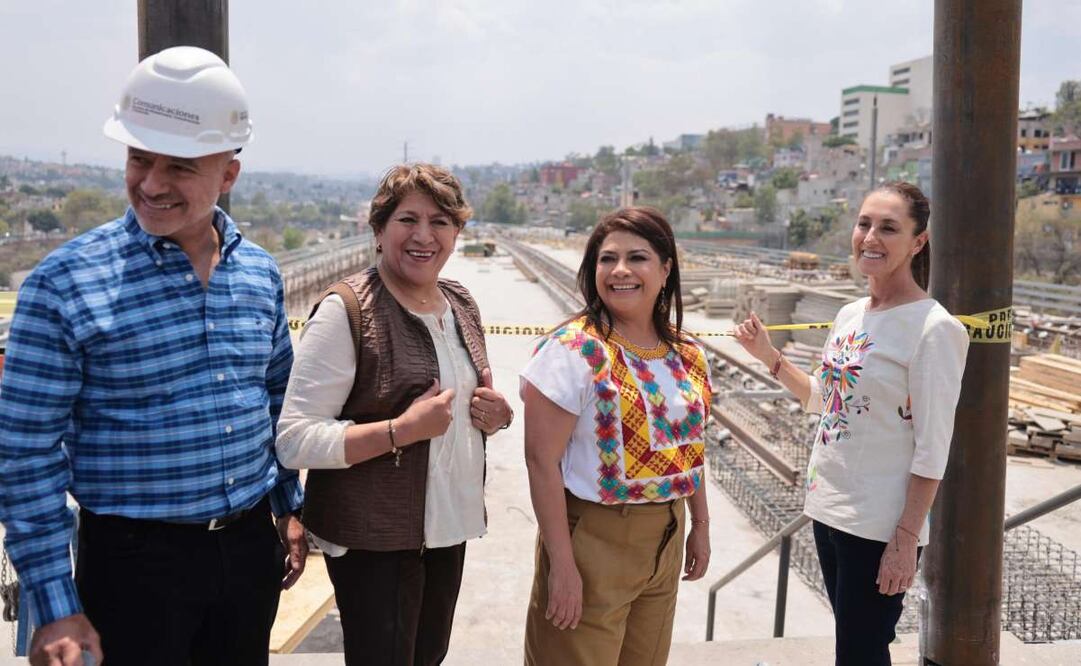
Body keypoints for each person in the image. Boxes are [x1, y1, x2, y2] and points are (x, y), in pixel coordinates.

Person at [0, 47, 307, 666]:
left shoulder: (257, 273)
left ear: (228, 174)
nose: (152, 183)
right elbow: (24, 452)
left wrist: (288, 506)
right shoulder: (65, 285)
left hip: (247, 554)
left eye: (181, 166)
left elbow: (276, 398)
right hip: (133, 567)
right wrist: (57, 604)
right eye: (139, 158)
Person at [275, 163, 513, 666]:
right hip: (375, 541)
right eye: (408, 220)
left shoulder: (459, 302)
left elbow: (466, 408)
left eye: (441, 222)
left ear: (457, 233)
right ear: (379, 230)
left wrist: (496, 415)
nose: (424, 236)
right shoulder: (348, 311)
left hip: (448, 527)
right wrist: (400, 431)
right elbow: (294, 438)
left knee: (428, 656)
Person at [733, 181, 969, 665]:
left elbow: (933, 447)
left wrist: (906, 539)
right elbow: (825, 399)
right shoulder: (849, 315)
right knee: (855, 646)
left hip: (879, 523)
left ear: (918, 242)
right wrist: (768, 358)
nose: (870, 238)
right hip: (830, 508)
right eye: (864, 224)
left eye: (889, 228)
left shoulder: (934, 328)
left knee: (860, 653)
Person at [520, 206, 712, 666]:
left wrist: (700, 525)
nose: (620, 270)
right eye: (607, 259)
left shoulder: (687, 355)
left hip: (665, 534)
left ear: (665, 269)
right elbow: (539, 461)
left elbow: (693, 449)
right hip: (594, 539)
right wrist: (562, 567)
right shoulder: (574, 350)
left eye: (637, 257)